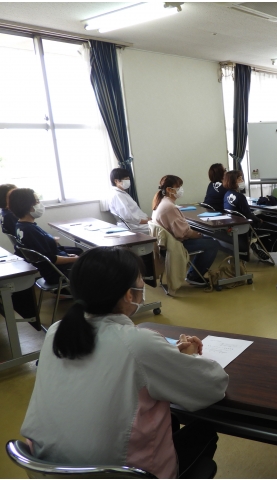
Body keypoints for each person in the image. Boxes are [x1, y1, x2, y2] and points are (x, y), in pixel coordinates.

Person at [21, 247, 228, 478]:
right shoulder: (138, 343)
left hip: (49, 470)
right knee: (203, 430)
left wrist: (167, 353)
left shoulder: (57, 332)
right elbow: (212, 386)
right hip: (120, 474)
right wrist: (190, 356)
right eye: (140, 281)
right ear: (129, 294)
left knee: (169, 420)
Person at [152, 175, 220, 285]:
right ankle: (194, 276)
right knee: (213, 243)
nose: (181, 190)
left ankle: (194, 274)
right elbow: (183, 233)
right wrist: (198, 234)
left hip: (166, 244)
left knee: (208, 239)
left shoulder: (161, 202)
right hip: (174, 245)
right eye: (178, 187)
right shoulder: (169, 207)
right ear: (169, 190)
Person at [10, 188, 82, 285]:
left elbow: (45, 251)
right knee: (95, 265)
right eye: (37, 201)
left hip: (52, 271)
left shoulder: (21, 226)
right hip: (58, 273)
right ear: (28, 206)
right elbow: (51, 259)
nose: (40, 204)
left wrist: (68, 255)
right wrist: (75, 259)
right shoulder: (30, 230)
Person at [223, 170, 277, 261]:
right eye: (240, 179)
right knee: (276, 230)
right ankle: (259, 247)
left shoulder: (226, 194)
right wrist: (258, 220)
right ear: (233, 181)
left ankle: (258, 246)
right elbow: (248, 215)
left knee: (261, 218)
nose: (242, 181)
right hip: (247, 227)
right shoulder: (240, 196)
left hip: (234, 225)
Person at [107, 167, 150, 233]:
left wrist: (147, 219)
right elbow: (127, 216)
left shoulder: (122, 193)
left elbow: (135, 212)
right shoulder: (117, 195)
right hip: (133, 226)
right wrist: (147, 221)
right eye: (125, 179)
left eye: (128, 179)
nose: (128, 181)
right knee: (161, 228)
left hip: (138, 223)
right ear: (116, 181)